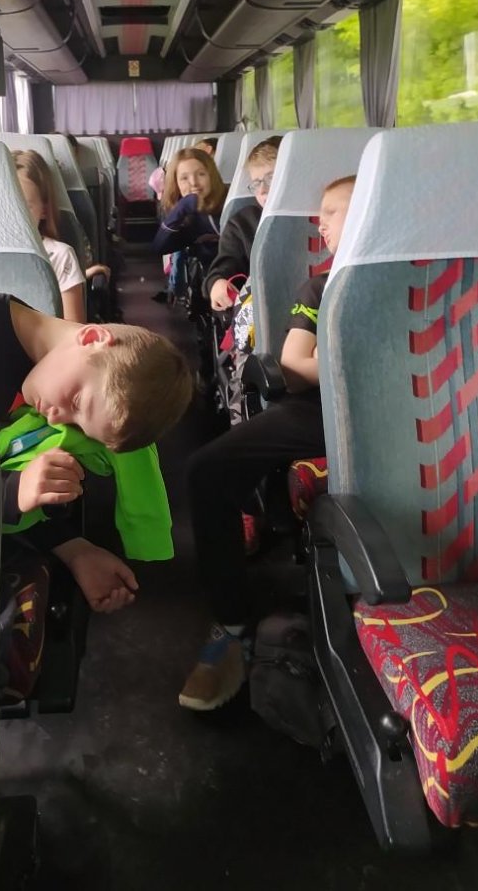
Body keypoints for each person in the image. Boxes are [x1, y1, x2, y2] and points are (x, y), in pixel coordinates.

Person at [178, 175, 356, 711]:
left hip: (413, 415)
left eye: (333, 211)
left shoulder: (432, 283)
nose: (320, 223)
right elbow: (294, 367)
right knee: (207, 470)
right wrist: (360, 364)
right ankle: (233, 625)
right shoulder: (320, 288)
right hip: (321, 410)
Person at [0, 287, 194, 612]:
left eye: (76, 424)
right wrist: (9, 492)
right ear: (91, 338)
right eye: (77, 401)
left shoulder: (51, 384)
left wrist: (75, 550)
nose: (57, 417)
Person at [205, 136, 282, 312]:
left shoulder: (324, 216)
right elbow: (226, 264)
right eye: (256, 183)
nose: (262, 190)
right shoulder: (242, 224)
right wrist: (217, 281)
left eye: (271, 179)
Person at [14, 149, 88, 322]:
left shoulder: (60, 256)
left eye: (26, 207)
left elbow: (73, 329)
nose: (15, 216)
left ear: (44, 210)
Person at [152, 148, 226, 267]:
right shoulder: (188, 216)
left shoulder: (229, 201)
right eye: (184, 178)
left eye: (201, 174)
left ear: (211, 176)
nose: (193, 182)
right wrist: (182, 207)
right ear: (176, 184)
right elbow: (159, 247)